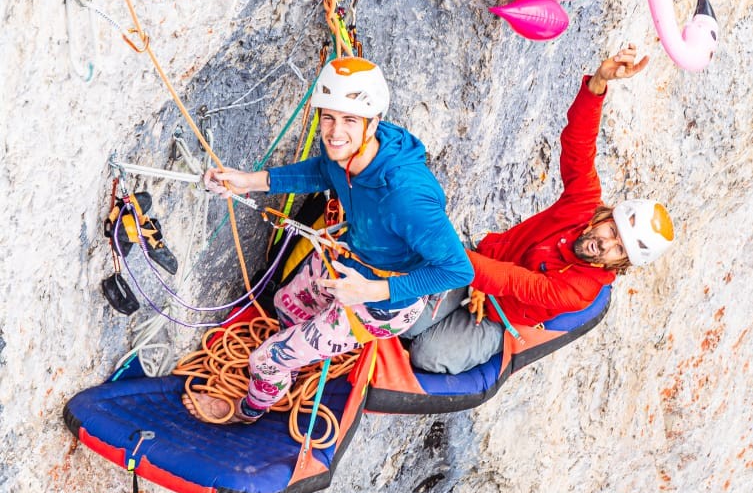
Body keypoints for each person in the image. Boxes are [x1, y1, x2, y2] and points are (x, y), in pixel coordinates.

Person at [185, 55, 473, 422]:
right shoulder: (344, 149)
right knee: (286, 304)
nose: (335, 132)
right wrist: (247, 180)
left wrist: (371, 292)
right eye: (329, 117)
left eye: (349, 120)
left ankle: (249, 410)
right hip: (349, 261)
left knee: (266, 358)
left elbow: (456, 270)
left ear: (373, 123)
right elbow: (321, 171)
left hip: (384, 304)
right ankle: (294, 359)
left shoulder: (406, 195)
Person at [408, 45, 675, 374]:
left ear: (618, 264)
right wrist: (598, 85)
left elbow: (515, 283)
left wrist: (440, 246)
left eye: (617, 249)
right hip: (480, 264)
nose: (606, 243)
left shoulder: (580, 291)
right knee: (407, 322)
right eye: (613, 231)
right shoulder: (583, 204)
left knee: (427, 354)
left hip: (496, 315)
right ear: (605, 218)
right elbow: (579, 146)